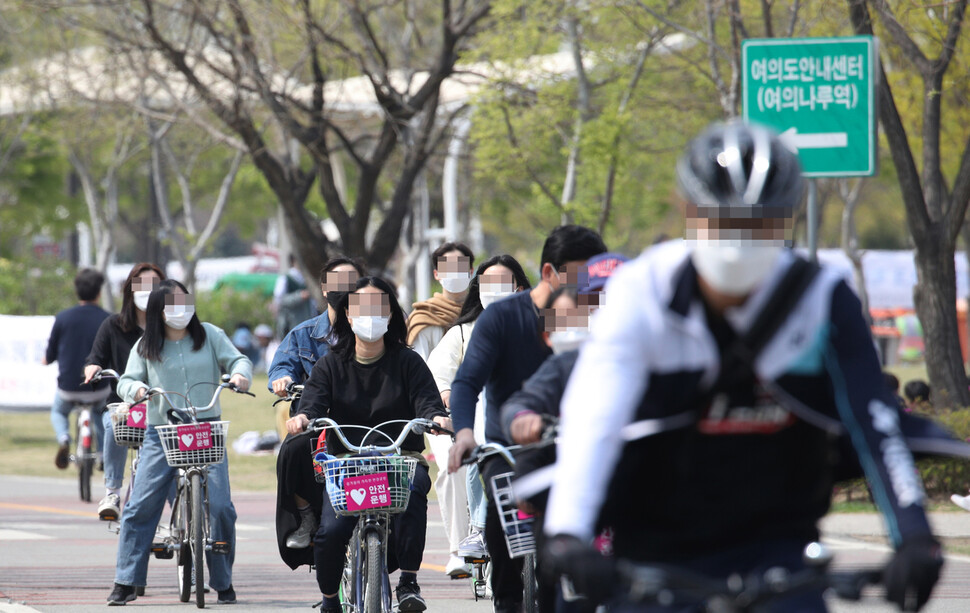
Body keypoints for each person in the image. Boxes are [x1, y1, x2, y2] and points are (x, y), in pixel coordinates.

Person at [543, 121, 943, 612]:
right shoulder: (641, 293)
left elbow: (875, 421)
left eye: (760, 222)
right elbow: (595, 420)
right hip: (656, 550)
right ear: (688, 212)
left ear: (787, 221)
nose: (739, 237)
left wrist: (915, 535)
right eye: (721, 219)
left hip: (776, 548)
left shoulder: (822, 296)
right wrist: (569, 533)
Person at [446, 225, 608, 613]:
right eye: (582, 276)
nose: (590, 288)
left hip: (576, 443)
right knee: (505, 503)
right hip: (508, 446)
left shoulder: (602, 316)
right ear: (550, 273)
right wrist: (465, 434)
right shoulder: (502, 318)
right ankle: (506, 598)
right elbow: (467, 382)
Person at [285, 276, 452, 613]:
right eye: (362, 307)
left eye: (380, 306)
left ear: (391, 313)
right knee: (331, 532)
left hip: (399, 458)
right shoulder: (330, 364)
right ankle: (330, 599)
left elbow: (427, 402)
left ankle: (408, 580)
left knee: (416, 491)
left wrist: (437, 418)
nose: (370, 315)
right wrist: (304, 418)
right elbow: (313, 403)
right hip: (347, 461)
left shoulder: (408, 362)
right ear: (347, 314)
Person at [108, 279, 252, 605]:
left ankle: (222, 580)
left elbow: (238, 360)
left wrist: (240, 375)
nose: (181, 310)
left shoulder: (211, 335)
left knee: (221, 507)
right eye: (173, 304)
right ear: (159, 311)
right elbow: (127, 381)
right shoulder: (146, 345)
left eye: (185, 302)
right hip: (163, 433)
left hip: (207, 429)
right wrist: (137, 391)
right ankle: (126, 581)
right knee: (140, 506)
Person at [426, 255, 531, 569]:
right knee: (475, 460)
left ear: (520, 287)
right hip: (480, 420)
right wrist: (448, 401)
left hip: (532, 421)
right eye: (488, 283)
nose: (495, 291)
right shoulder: (463, 333)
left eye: (503, 283)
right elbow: (450, 379)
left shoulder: (539, 325)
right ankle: (477, 530)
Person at [268, 256, 366, 569]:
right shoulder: (303, 334)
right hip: (315, 423)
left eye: (352, 283)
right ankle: (306, 513)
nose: (344, 290)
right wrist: (283, 379)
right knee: (293, 449)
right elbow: (281, 366)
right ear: (324, 289)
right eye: (337, 283)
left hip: (366, 423)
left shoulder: (374, 330)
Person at [406, 241, 476, 576]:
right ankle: (459, 549)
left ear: (473, 272)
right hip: (438, 412)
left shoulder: (488, 314)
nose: (456, 275)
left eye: (462, 267)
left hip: (483, 409)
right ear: (436, 274)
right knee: (453, 468)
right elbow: (422, 373)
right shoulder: (425, 318)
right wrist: (439, 408)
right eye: (447, 268)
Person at [83, 262, 166, 521]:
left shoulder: (170, 327)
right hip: (124, 406)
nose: (148, 292)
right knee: (114, 424)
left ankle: (186, 517)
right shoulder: (113, 325)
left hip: (163, 409)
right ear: (130, 290)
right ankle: (112, 491)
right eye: (142, 286)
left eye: (155, 286)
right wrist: (93, 368)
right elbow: (95, 357)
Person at [45, 268, 111, 470]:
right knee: (102, 413)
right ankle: (102, 453)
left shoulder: (63, 318)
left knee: (58, 411)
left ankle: (64, 437)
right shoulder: (108, 319)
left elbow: (50, 355)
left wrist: (46, 360)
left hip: (69, 387)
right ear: (99, 292)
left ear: (77, 291)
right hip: (99, 387)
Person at [274, 254, 317, 339]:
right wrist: (299, 296)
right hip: (292, 324)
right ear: (293, 261)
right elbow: (279, 300)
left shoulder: (309, 278)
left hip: (309, 323)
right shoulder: (286, 278)